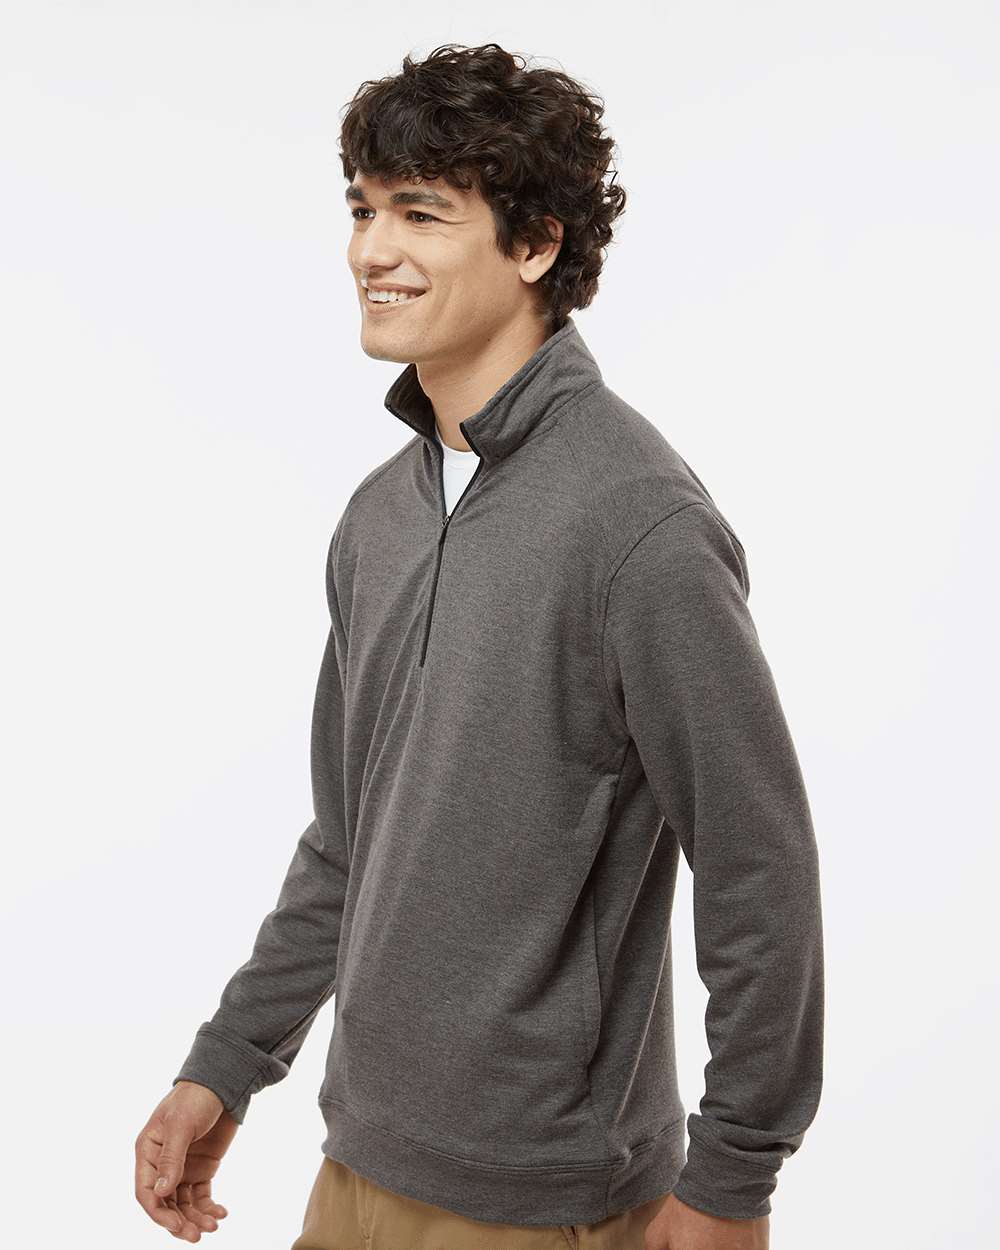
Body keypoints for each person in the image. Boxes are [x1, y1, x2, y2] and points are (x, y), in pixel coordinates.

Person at [133, 42, 824, 1250]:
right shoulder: (379, 515)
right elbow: (350, 834)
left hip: (547, 1197)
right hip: (358, 1161)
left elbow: (757, 865)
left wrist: (733, 1175)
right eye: (362, 209)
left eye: (420, 213)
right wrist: (229, 1059)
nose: (371, 249)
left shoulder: (639, 524)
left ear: (536, 244)